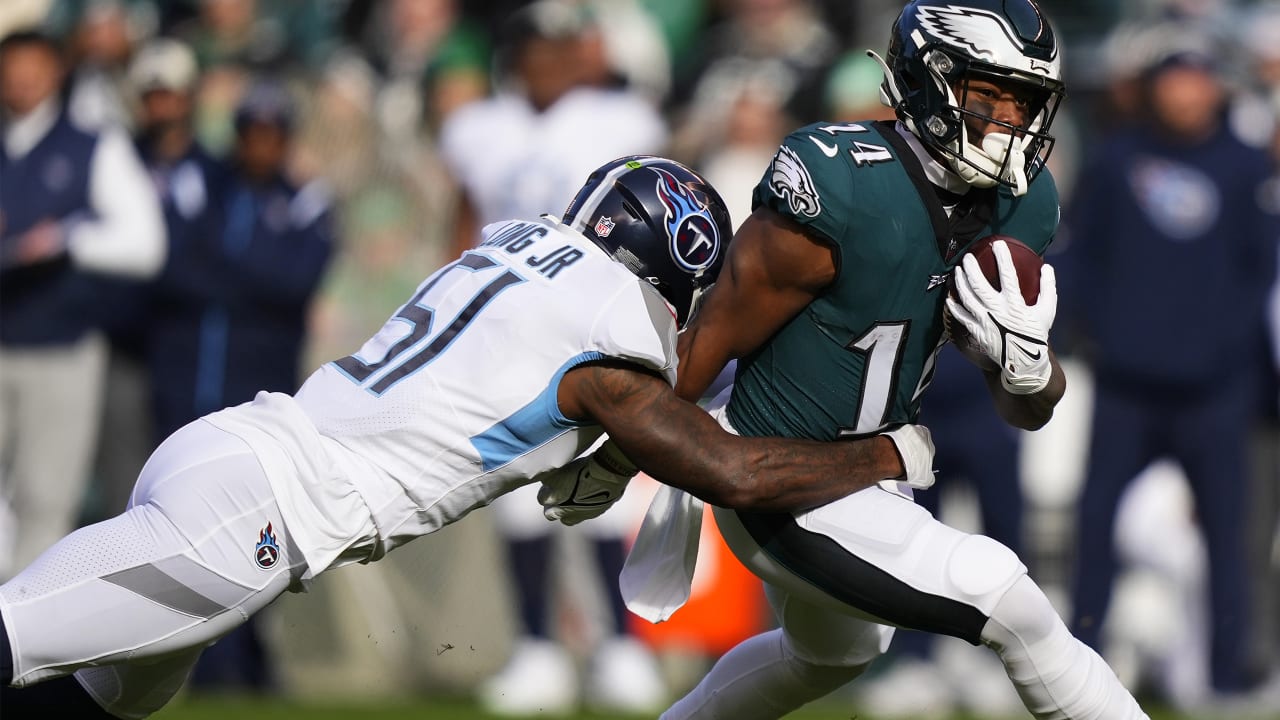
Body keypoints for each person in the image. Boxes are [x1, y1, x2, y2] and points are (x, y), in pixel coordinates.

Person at [0, 156, 936, 719]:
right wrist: (887, 455)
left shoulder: (514, 249)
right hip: (250, 523)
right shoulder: (614, 344)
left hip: (230, 453)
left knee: (98, 703)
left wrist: (603, 449)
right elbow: (730, 469)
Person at [561, 2, 1153, 718]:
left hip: (875, 473)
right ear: (928, 82)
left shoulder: (1023, 205)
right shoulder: (844, 183)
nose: (1005, 120)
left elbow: (1027, 409)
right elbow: (714, 333)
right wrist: (621, 450)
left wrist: (1028, 368)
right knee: (1002, 591)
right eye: (986, 94)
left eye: (1021, 101)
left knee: (835, 653)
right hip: (774, 473)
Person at [437, 2, 670, 712]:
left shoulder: (622, 120)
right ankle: (536, 645)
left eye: (569, 45)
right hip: (505, 327)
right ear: (520, 52)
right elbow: (462, 217)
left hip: (592, 326)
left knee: (603, 490)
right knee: (510, 491)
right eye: (546, 45)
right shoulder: (479, 127)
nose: (561, 58)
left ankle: (620, 646)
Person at [1057, 34, 1279, 707]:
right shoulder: (1119, 157)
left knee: (1228, 536)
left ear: (1216, 89)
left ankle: (1226, 676)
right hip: (1126, 383)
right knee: (1093, 525)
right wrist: (1088, 336)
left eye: (1198, 81)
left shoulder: (1245, 168)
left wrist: (1219, 351)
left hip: (1214, 391)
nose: (1186, 95)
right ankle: (1075, 669)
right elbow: (1083, 256)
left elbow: (1259, 275)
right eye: (1174, 81)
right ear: (1156, 86)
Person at [0, 28, 165, 579]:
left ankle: (18, 651)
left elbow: (144, 243)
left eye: (34, 67)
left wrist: (66, 239)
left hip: (61, 347)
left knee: (46, 500)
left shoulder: (92, 143)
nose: (21, 80)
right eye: (12, 67)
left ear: (56, 73)